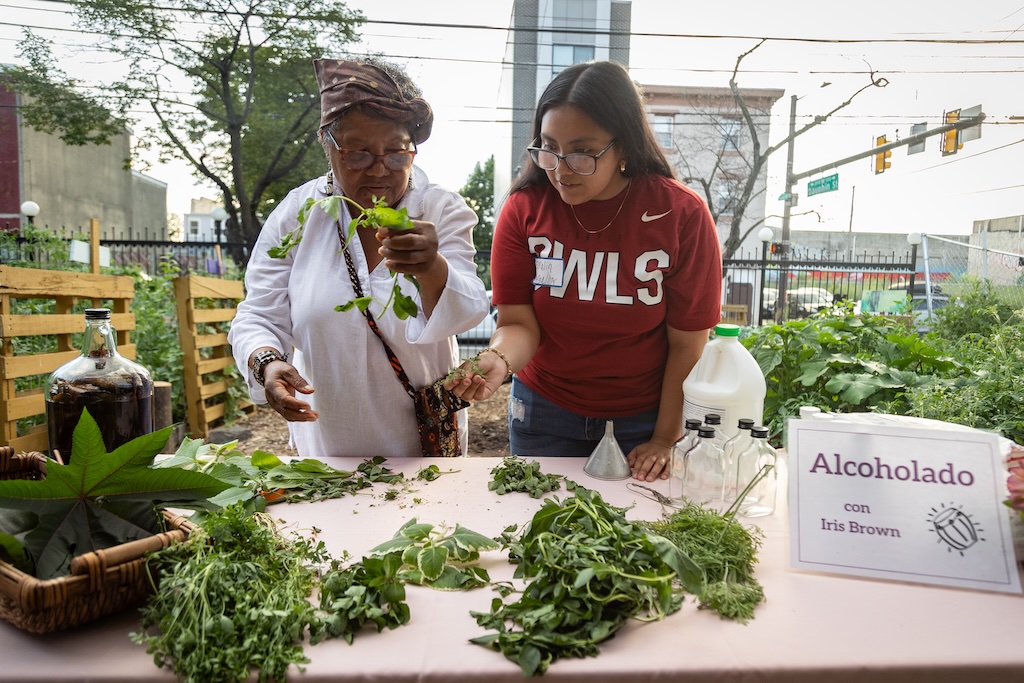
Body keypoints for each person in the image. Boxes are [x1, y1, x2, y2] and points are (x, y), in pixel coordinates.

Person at [446, 61, 722, 481]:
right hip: (543, 412)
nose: (559, 167)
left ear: (624, 146)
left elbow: (688, 344)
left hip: (644, 419)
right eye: (549, 146)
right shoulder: (524, 209)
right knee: (539, 530)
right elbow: (519, 322)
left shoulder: (680, 213)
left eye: (581, 151)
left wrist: (666, 439)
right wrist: (498, 359)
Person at [228, 57, 489, 458]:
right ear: (328, 147)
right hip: (329, 443)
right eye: (359, 154)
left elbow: (470, 306)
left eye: (397, 154)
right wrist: (267, 364)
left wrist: (433, 268)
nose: (379, 170)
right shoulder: (299, 213)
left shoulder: (439, 209)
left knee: (424, 519)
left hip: (424, 446)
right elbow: (259, 313)